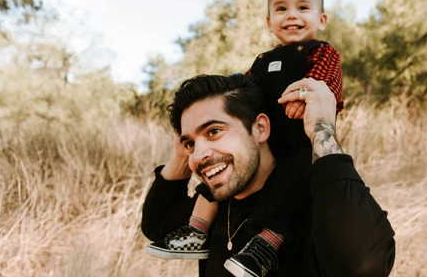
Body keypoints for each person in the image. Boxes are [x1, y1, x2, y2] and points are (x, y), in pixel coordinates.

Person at [145, 0, 345, 277]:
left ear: (321, 20)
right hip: (264, 145)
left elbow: (325, 86)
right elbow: (242, 93)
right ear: (269, 22)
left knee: (289, 187)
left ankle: (265, 244)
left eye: (303, 7)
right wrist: (189, 144)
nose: (292, 15)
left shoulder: (322, 53)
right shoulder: (262, 61)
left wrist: (304, 97)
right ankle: (197, 230)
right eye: (281, 9)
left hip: (299, 144)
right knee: (211, 181)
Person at [140, 74, 395, 276]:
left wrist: (322, 130)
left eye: (214, 131)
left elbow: (363, 266)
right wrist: (181, 156)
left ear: (260, 128)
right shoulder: (214, 208)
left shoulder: (310, 208)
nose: (199, 154)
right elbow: (156, 225)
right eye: (190, 143)